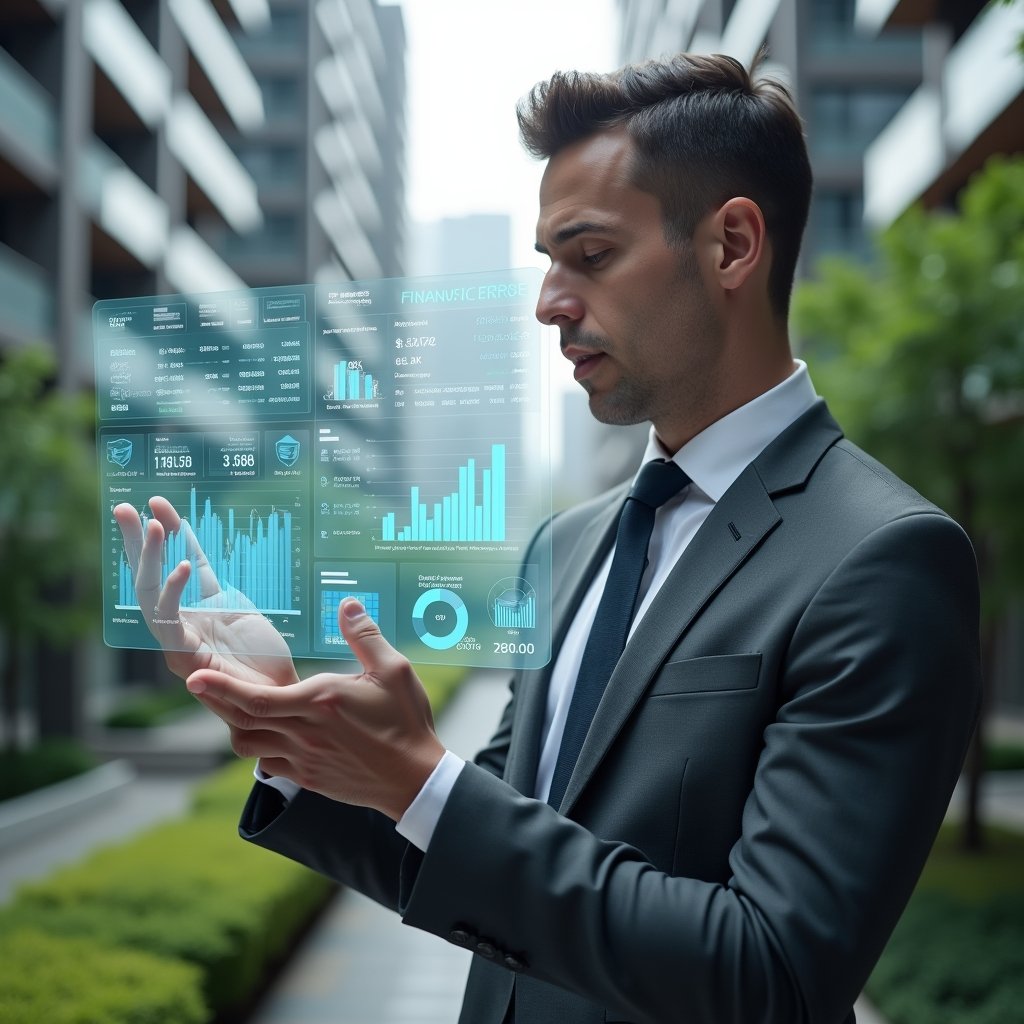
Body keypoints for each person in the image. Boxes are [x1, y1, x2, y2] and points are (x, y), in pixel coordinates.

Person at [116, 51, 981, 1024]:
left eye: (591, 255)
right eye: (546, 261)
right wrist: (286, 721)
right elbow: (471, 850)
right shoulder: (567, 548)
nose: (547, 302)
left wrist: (426, 782)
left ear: (732, 244)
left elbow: (770, 968)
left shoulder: (884, 556)